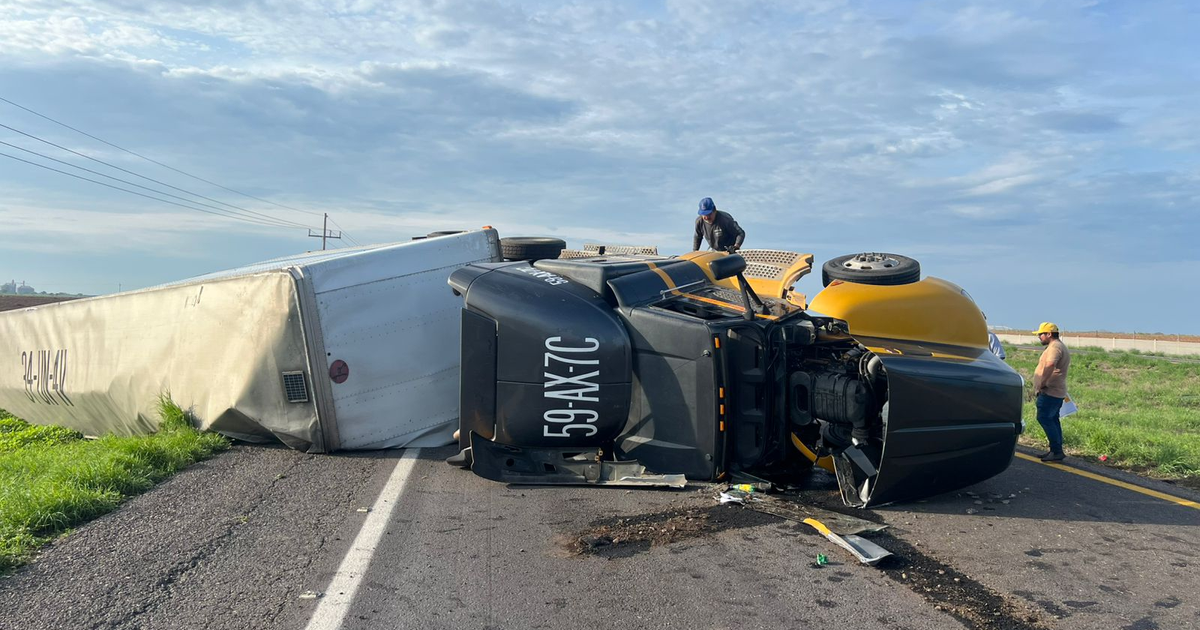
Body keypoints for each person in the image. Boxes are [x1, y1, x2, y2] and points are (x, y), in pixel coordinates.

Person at [1032, 322, 1071, 461]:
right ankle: (1056, 450)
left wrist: (1041, 384)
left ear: (1049, 334)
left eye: (1041, 334)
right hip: (1055, 391)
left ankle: (1056, 451)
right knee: (1052, 419)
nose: (1039, 337)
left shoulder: (1055, 348)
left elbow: (1049, 365)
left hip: (1050, 391)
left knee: (1044, 418)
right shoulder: (1058, 346)